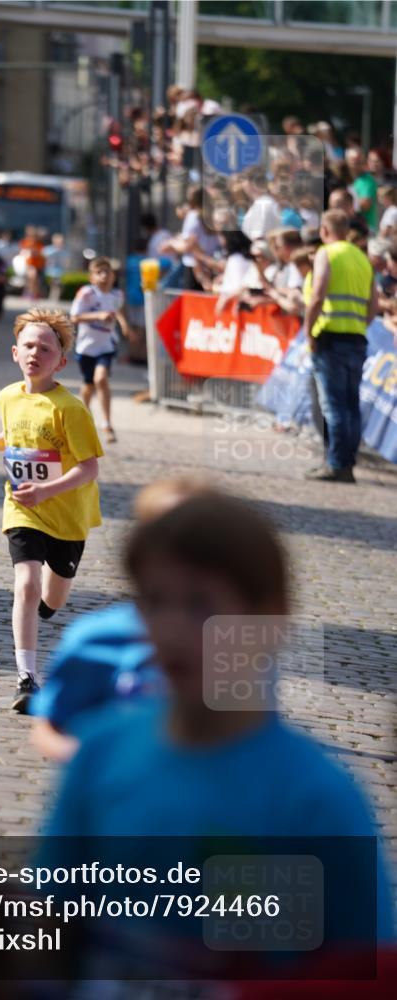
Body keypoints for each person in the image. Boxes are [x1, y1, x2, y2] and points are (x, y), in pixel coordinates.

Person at [43, 491, 394, 969]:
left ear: (270, 620)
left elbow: (365, 971)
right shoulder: (101, 752)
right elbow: (51, 927)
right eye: (154, 601)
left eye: (202, 604)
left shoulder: (315, 796)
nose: (171, 628)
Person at [0, 308, 103, 713]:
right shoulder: (8, 396)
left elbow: (89, 468)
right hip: (23, 506)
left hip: (67, 514)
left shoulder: (71, 408)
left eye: (45, 348)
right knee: (25, 585)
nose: (35, 353)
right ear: (15, 352)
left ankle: (44, 606)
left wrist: (48, 489)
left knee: (53, 597)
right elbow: (14, 432)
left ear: (60, 361)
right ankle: (27, 677)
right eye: (28, 345)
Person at [29, 476, 208, 762]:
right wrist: (94, 759)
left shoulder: (237, 641)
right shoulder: (96, 637)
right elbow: (49, 725)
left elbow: (255, 738)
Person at [304, 209, 378, 482]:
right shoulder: (362, 258)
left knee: (333, 405)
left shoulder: (327, 253)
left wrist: (309, 330)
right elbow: (374, 304)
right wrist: (360, 323)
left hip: (331, 337)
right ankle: (347, 464)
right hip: (357, 338)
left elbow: (318, 293)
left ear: (324, 230)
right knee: (350, 405)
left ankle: (336, 463)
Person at [69, 256, 132, 444]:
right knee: (88, 385)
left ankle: (107, 423)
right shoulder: (86, 294)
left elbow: (117, 310)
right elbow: (74, 317)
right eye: (99, 272)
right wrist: (98, 315)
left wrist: (124, 324)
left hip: (107, 344)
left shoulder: (117, 295)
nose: (104, 276)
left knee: (101, 379)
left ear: (113, 276)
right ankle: (86, 417)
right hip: (86, 346)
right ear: (92, 277)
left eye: (108, 272)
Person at [346, 149, 378, 233]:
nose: (356, 165)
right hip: (350, 227)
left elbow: (365, 204)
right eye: (353, 161)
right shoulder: (347, 178)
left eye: (359, 161)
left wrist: (345, 207)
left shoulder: (368, 180)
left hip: (364, 228)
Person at [43, 233, 69, 301]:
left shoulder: (65, 251)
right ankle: (52, 297)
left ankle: (54, 298)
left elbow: (66, 263)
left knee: (57, 283)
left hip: (59, 272)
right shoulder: (48, 250)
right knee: (55, 282)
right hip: (48, 271)